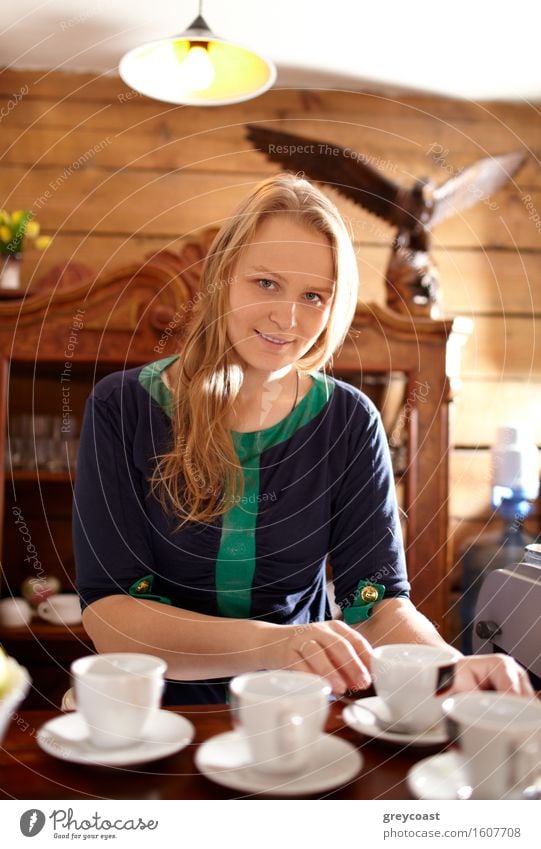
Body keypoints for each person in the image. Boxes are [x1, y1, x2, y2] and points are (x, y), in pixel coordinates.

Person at [75, 173, 532, 704]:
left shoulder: (348, 420)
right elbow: (114, 617)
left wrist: (451, 672)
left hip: (300, 713)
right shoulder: (122, 407)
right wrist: (275, 645)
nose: (287, 318)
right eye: (266, 283)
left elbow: (380, 604)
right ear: (223, 277)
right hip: (157, 714)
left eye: (314, 295)